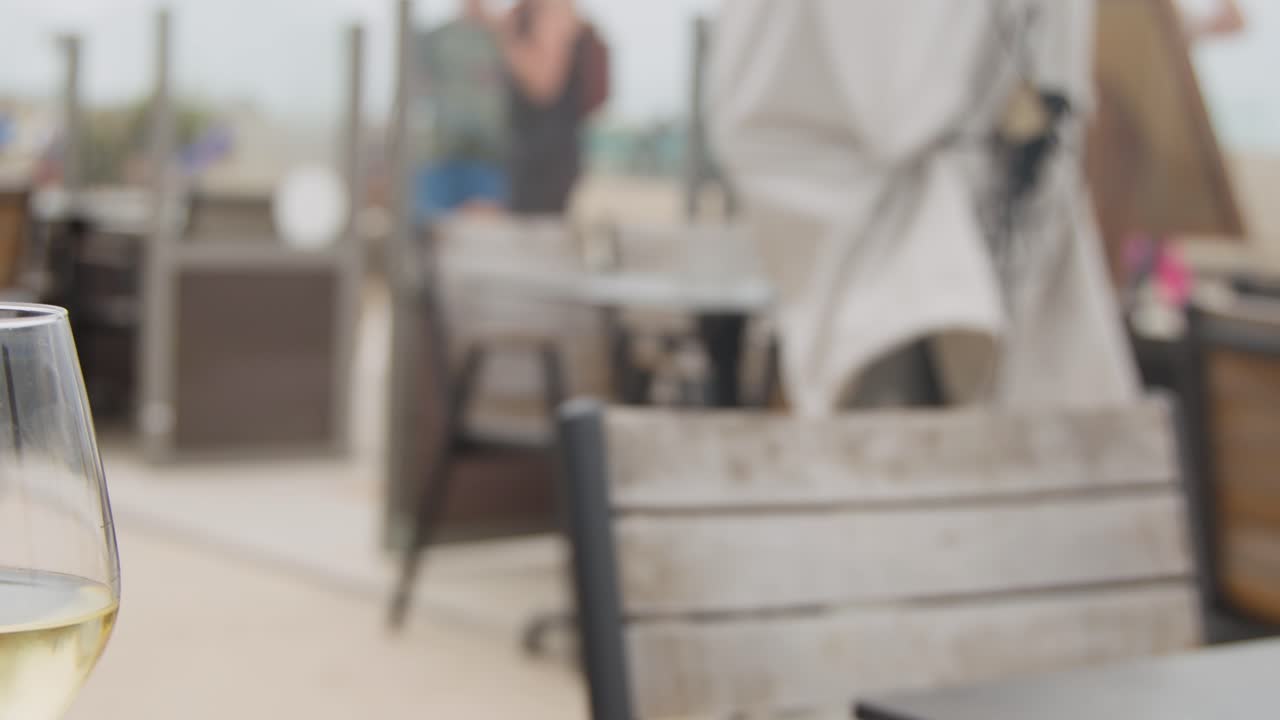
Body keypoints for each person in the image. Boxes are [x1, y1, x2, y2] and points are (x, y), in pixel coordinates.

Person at [468, 0, 609, 215]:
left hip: (544, 156)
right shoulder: (531, 10)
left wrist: (505, 36)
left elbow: (544, 85)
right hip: (536, 153)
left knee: (529, 233)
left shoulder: (553, 10)